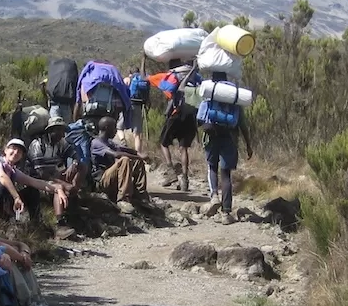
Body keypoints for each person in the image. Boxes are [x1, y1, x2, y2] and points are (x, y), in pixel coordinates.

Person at [0, 138, 71, 221]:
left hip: (1, 201)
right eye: (13, 148)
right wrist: (16, 197)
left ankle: (36, 225)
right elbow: (2, 177)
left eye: (19, 151)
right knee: (3, 184)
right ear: (6, 150)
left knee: (32, 191)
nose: (16, 153)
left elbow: (34, 182)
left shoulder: (13, 171)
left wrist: (57, 189)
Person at [27, 116, 86, 238]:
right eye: (58, 130)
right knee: (58, 187)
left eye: (62, 130)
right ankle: (60, 223)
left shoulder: (61, 143)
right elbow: (41, 173)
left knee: (82, 166)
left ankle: (73, 196)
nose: (61, 133)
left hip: (55, 175)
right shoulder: (37, 144)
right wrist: (65, 184)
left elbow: (75, 155)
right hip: (37, 181)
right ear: (50, 130)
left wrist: (74, 163)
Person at [149, 62, 201, 191]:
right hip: (190, 116)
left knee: (163, 143)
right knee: (184, 148)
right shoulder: (197, 77)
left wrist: (144, 59)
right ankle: (185, 179)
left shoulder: (171, 75)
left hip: (175, 114)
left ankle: (170, 171)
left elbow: (145, 77)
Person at [203, 93, 254, 222]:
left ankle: (214, 195)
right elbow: (243, 126)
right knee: (226, 175)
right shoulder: (234, 99)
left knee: (212, 167)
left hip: (212, 137)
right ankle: (226, 213)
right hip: (230, 139)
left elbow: (200, 119)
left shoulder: (209, 96)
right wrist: (248, 145)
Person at [91, 116, 149, 202]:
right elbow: (116, 154)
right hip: (102, 180)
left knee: (137, 161)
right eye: (114, 128)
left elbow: (124, 149)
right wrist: (139, 157)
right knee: (124, 160)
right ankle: (123, 199)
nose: (115, 131)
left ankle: (141, 195)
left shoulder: (109, 142)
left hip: (111, 177)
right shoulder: (96, 142)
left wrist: (138, 154)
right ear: (107, 128)